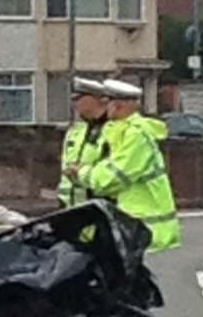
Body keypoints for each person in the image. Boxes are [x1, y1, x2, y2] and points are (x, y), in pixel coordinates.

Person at [64, 79, 181, 253]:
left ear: (117, 106)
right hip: (127, 224)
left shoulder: (136, 134)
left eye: (108, 101)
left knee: (126, 278)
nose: (106, 106)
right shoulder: (121, 131)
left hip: (139, 225)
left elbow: (112, 178)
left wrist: (81, 173)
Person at [58, 77, 109, 208]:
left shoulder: (114, 131)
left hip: (99, 209)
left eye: (78, 99)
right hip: (72, 211)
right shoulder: (75, 132)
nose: (74, 104)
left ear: (95, 99)